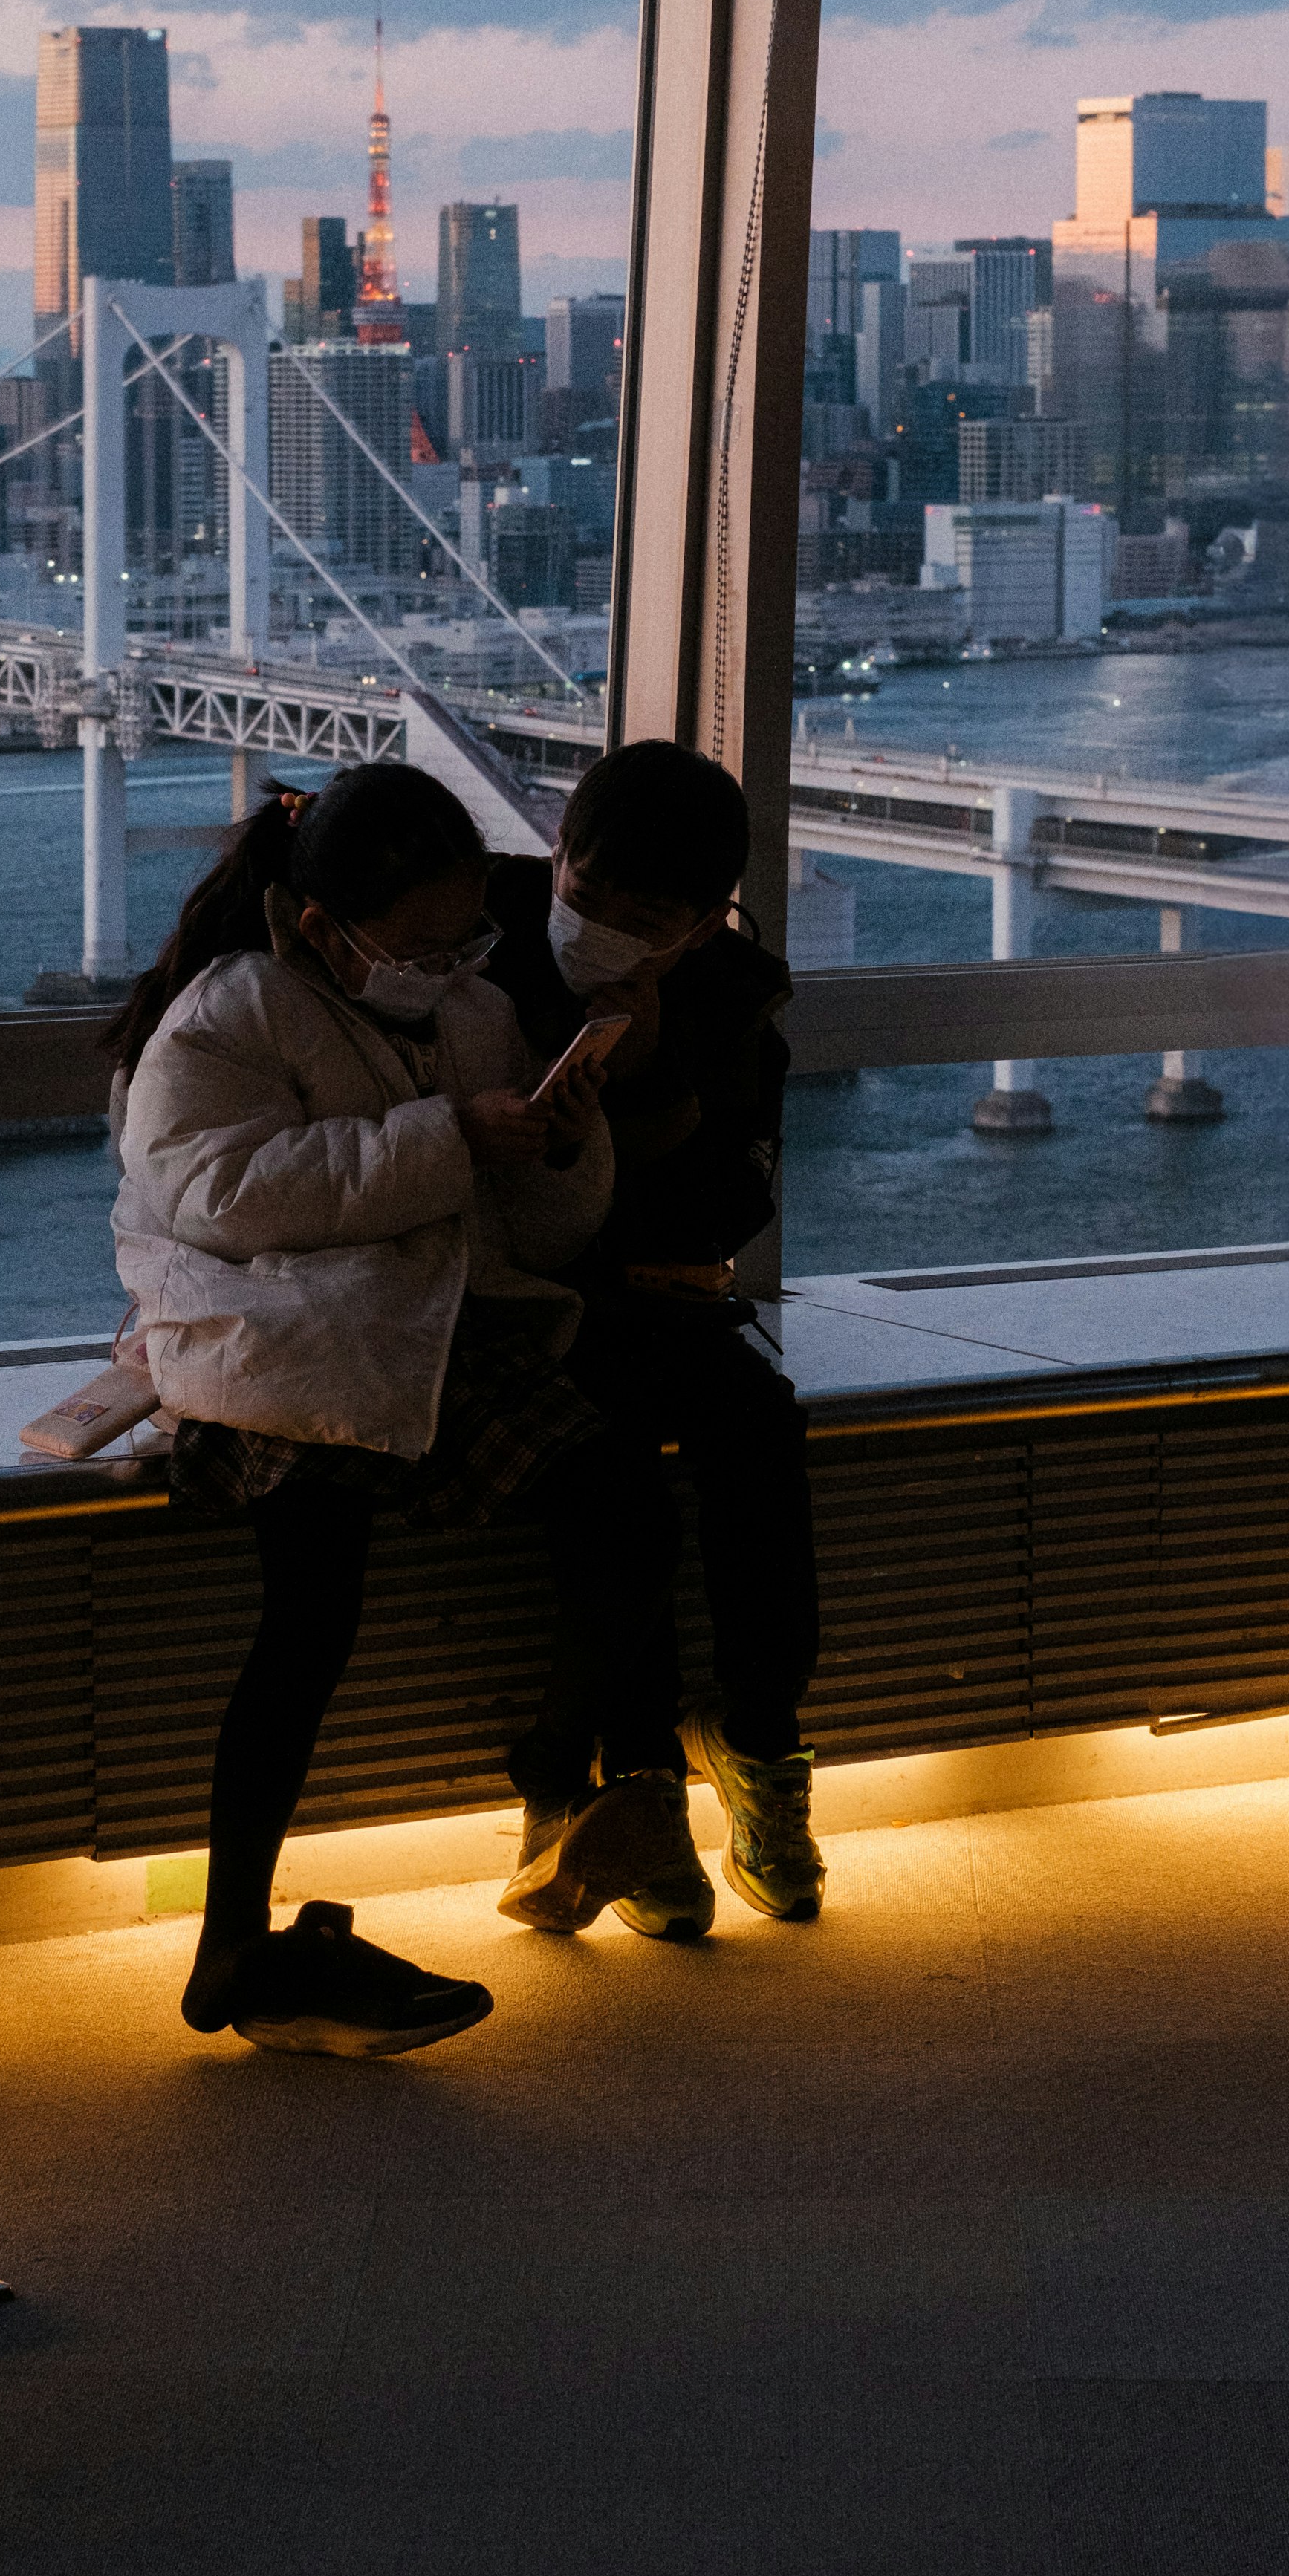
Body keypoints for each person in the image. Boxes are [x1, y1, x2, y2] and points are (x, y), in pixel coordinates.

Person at [110, 759, 703, 2058]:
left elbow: (534, 1230)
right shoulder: (230, 1011)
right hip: (266, 1349)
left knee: (621, 1506)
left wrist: (560, 1142)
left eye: (465, 939)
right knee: (308, 1620)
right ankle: (232, 1939)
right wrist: (452, 1138)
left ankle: (556, 1777)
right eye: (423, 944)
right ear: (323, 927)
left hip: (424, 1327)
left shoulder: (476, 1015)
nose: (449, 965)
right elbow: (220, 1196)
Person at [484, 741, 826, 1933]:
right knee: (608, 1467)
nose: (606, 931)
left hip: (662, 1295)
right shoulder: (479, 947)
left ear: (700, 924)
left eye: (649, 919)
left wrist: (653, 1068)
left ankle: (759, 1741)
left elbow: (737, 1205)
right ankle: (640, 1784)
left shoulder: (733, 998)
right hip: (516, 1299)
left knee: (762, 1435)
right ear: (555, 858)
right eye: (585, 899)